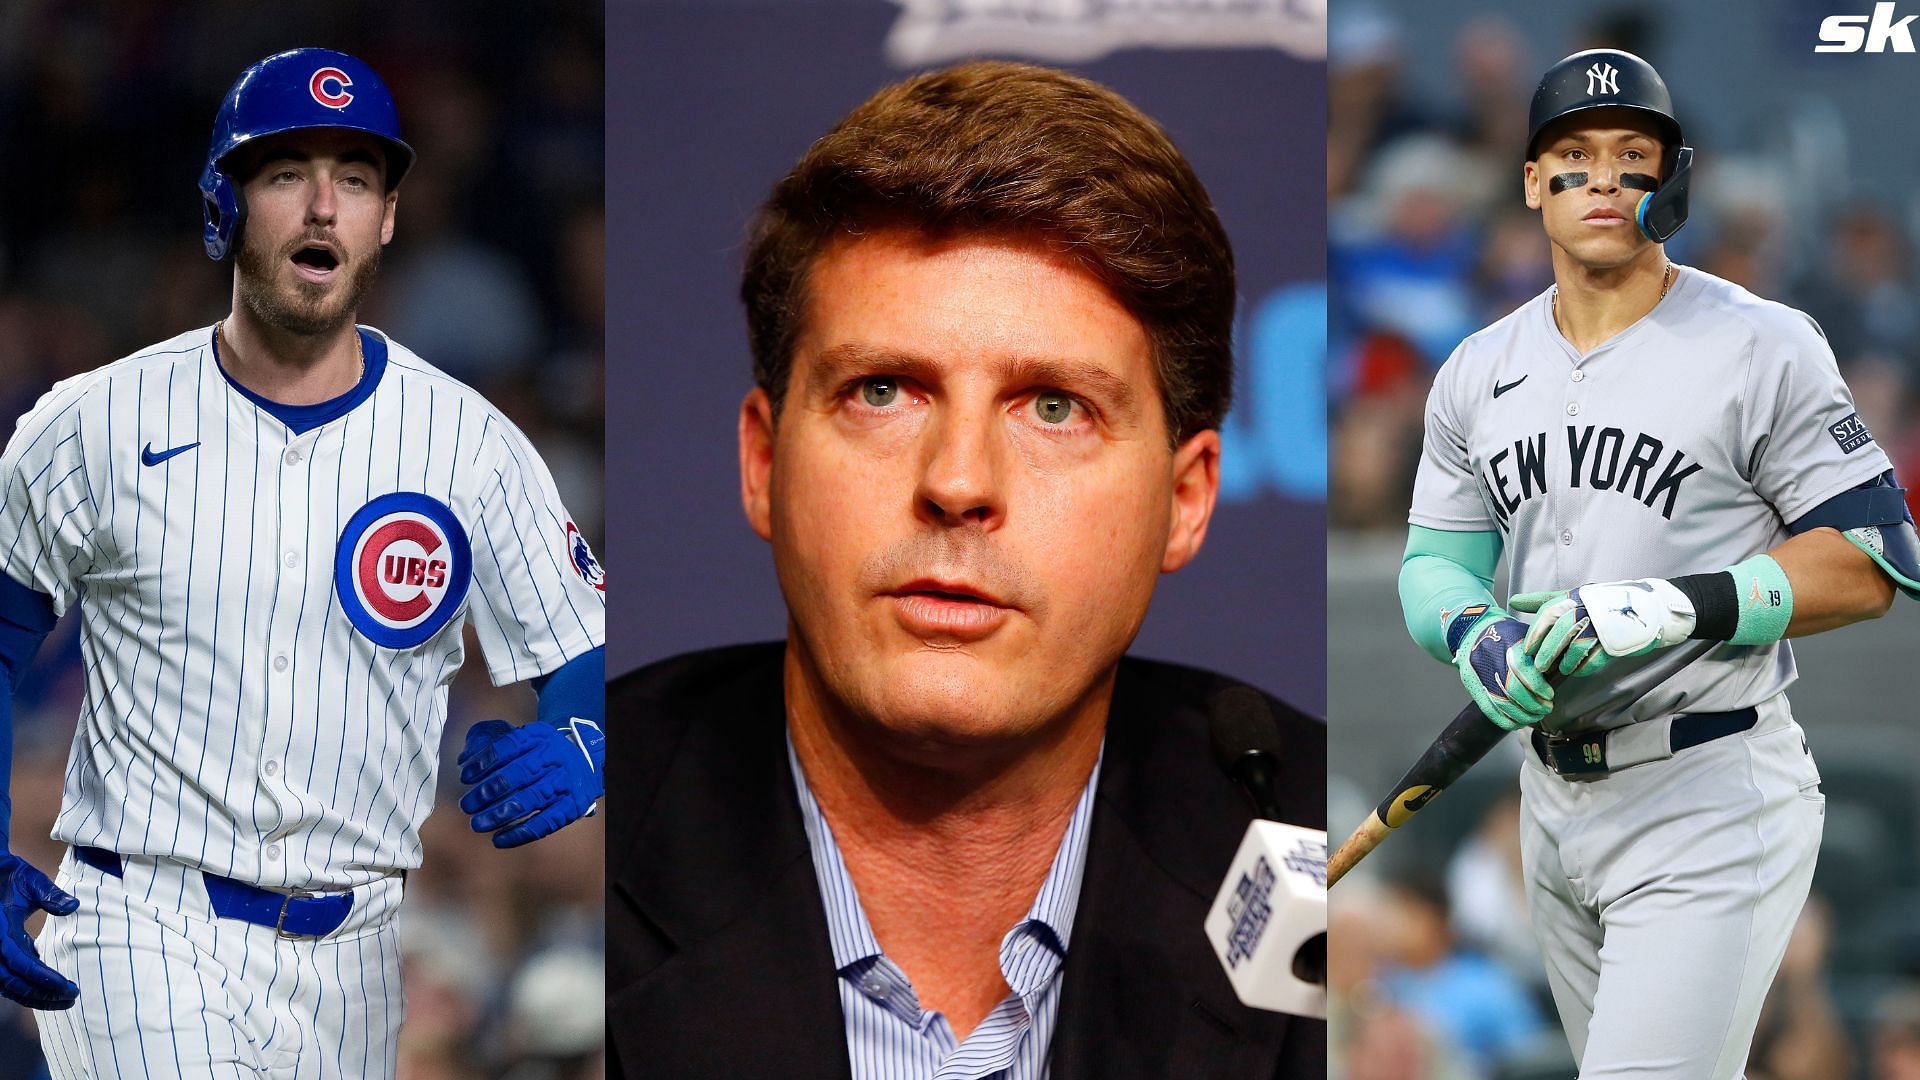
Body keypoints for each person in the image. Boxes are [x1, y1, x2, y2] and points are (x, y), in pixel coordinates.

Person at [607, 60, 1326, 1078]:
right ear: (764, 464)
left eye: (1053, 407)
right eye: (884, 390)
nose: (957, 481)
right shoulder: (598, 816)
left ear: (1187, 498)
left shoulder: (1328, 843)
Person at [0, 49, 607, 1077]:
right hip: (141, 922)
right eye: (286, 175)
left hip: (362, 958)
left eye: (357, 179)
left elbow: (582, 653)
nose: (324, 205)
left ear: (388, 218)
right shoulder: (94, 422)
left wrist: (586, 738)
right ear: (223, 207)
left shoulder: (470, 442)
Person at [1398, 48, 1916, 1078]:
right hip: (1550, 803)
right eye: (1573, 155)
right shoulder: (1476, 370)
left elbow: (1876, 560)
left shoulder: (1763, 342)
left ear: (1670, 182)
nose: (1601, 178)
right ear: (1532, 183)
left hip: (1708, 786)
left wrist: (1681, 605)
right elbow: (1432, 567)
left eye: (1632, 155)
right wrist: (1474, 632)